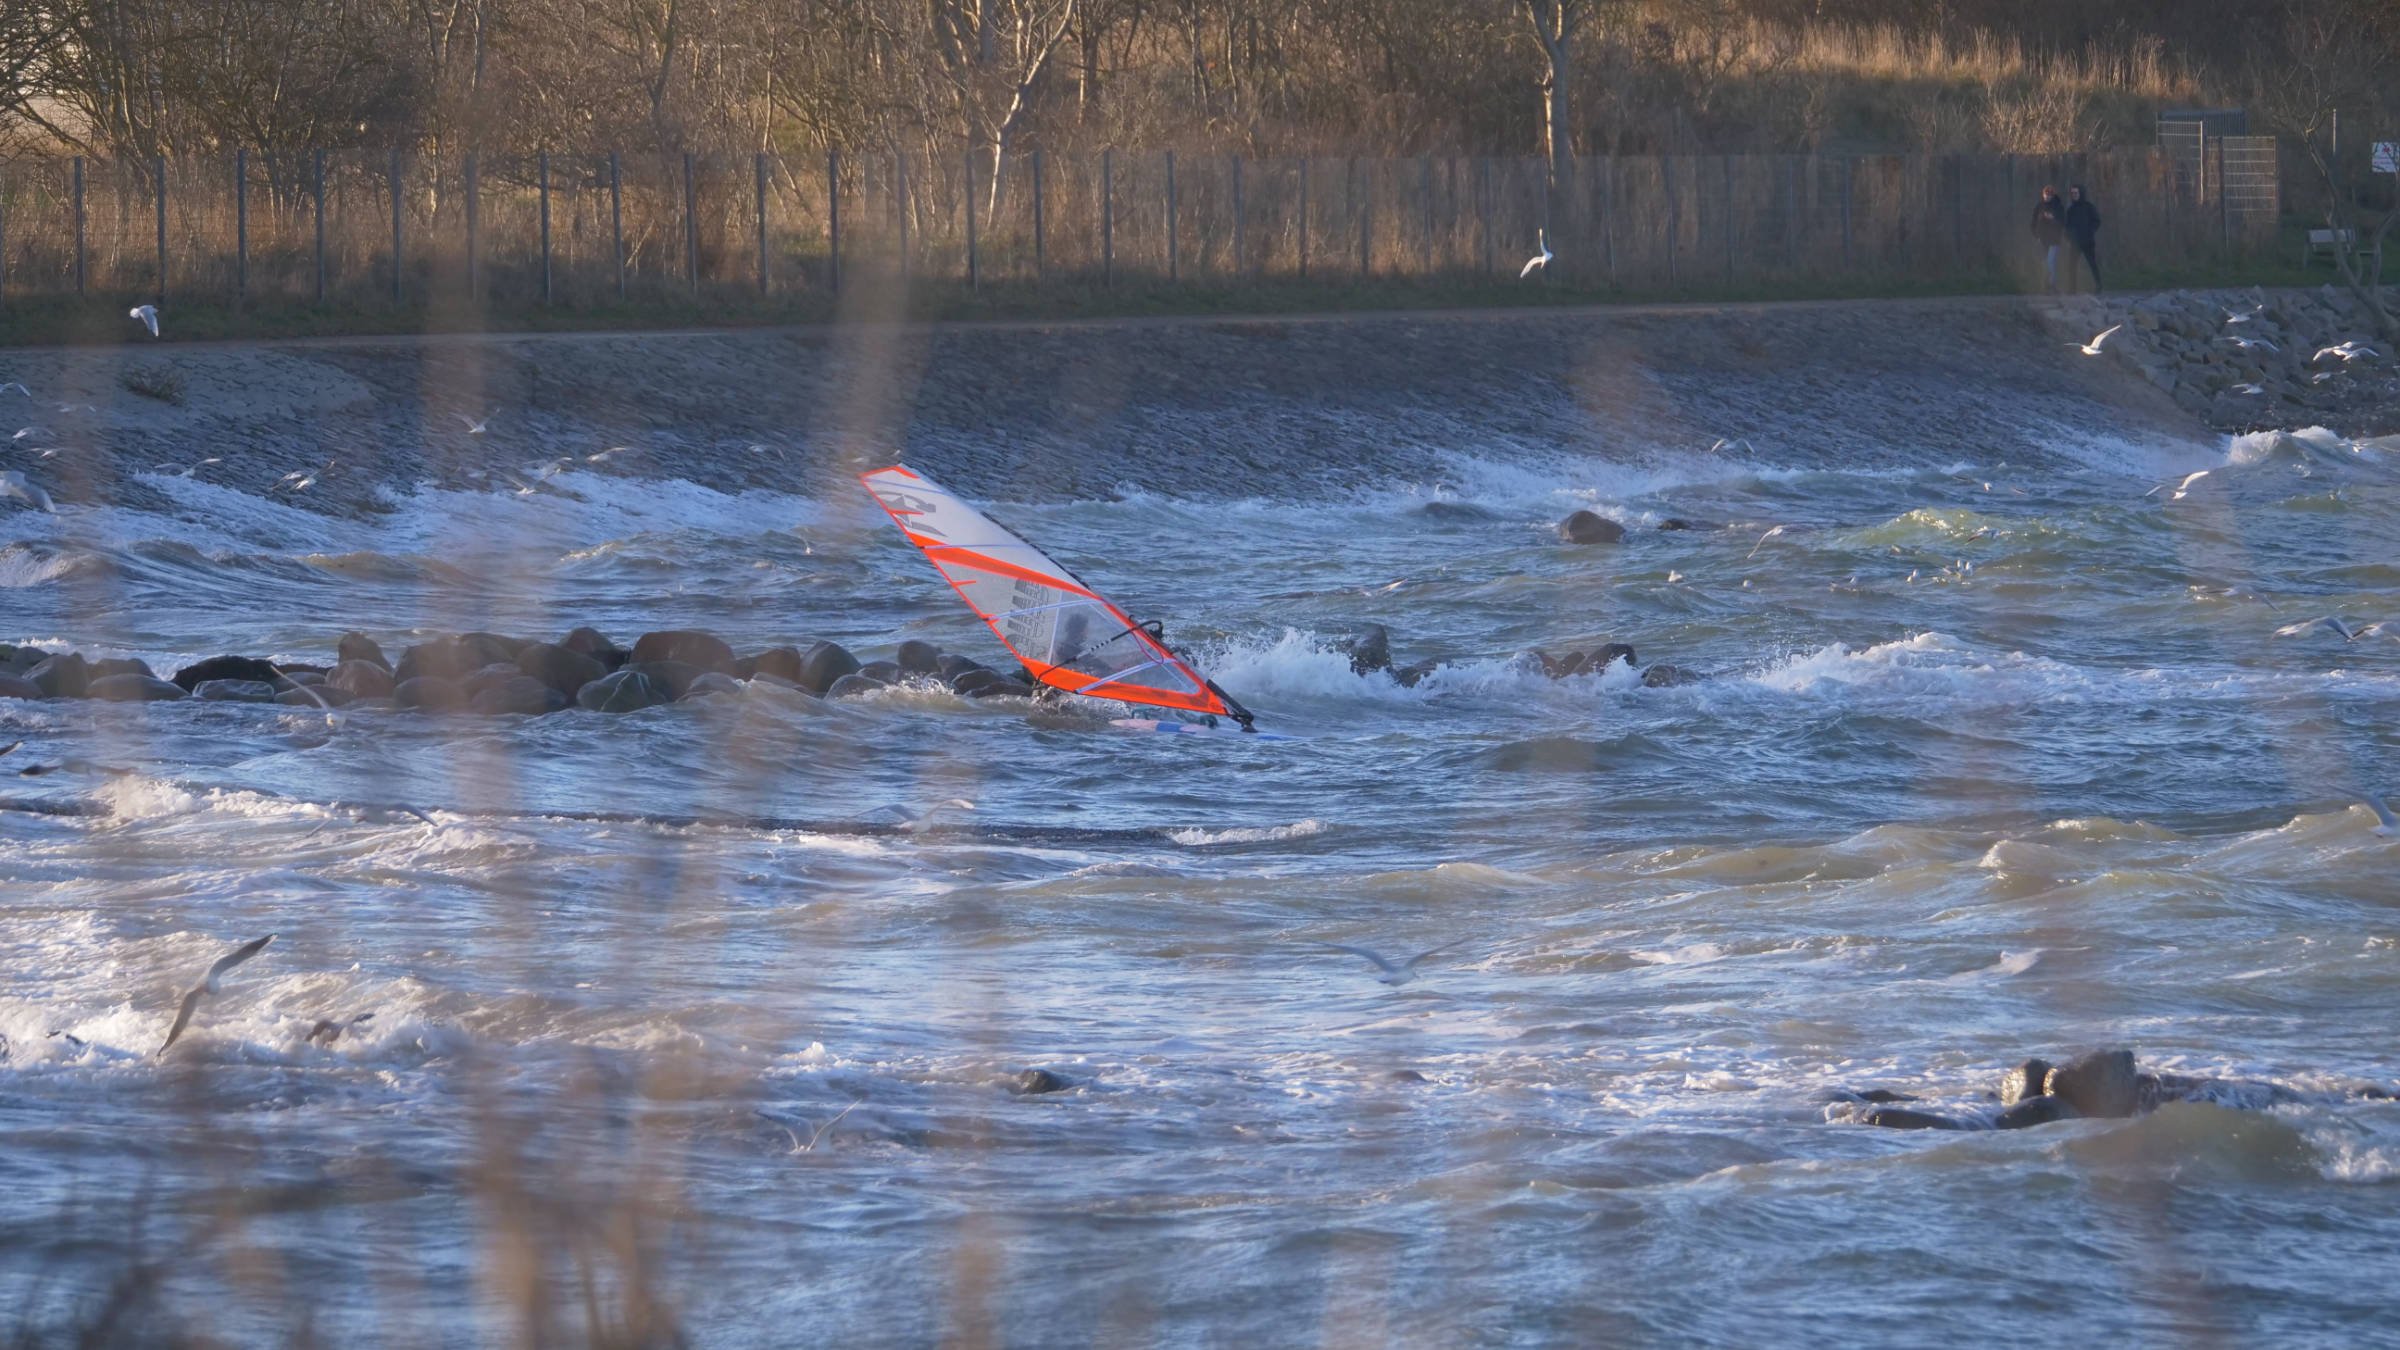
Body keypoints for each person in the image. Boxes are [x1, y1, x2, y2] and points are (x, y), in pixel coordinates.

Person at [2065, 184, 2102, 293]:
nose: (2074, 195)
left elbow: (2097, 221)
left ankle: (2099, 286)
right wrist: (2068, 237)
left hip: (2088, 241)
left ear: (2080, 193)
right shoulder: (2070, 210)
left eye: (2076, 193)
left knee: (2092, 264)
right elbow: (2067, 226)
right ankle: (2072, 289)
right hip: (2075, 242)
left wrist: (2090, 231)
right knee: (2072, 266)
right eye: (2072, 193)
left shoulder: (2089, 207)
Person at [2029, 185, 2067, 293]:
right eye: (2046, 194)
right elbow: (2033, 222)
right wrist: (2036, 235)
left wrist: (2052, 219)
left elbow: (2063, 223)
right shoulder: (2039, 206)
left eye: (2050, 194)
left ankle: (2052, 285)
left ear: (2053, 195)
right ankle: (2046, 286)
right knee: (2044, 263)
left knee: (2051, 261)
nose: (2047, 196)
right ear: (2043, 194)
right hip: (2042, 239)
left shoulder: (2058, 207)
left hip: (2054, 239)